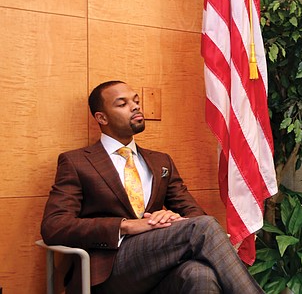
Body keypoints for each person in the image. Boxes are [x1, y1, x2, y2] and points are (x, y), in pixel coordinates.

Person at [41, 80, 264, 294]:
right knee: (202, 228)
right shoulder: (77, 162)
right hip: (111, 269)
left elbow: (194, 214)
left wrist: (172, 218)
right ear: (102, 117)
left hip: (159, 266)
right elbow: (54, 226)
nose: (135, 106)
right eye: (122, 103)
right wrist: (126, 226)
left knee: (199, 274)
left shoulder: (161, 161)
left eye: (135, 100)